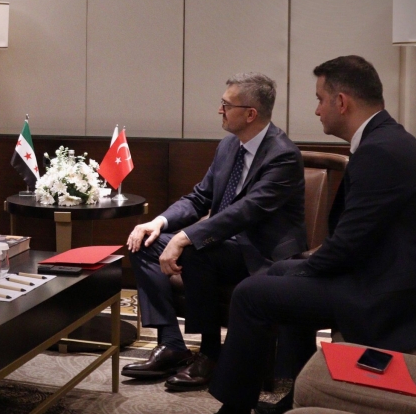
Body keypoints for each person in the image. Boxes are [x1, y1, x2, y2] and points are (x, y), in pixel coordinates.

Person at [210, 56, 416, 414]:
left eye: (320, 99)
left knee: (251, 293)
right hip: (380, 273)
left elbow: (348, 245)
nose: (317, 110)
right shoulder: (391, 140)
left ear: (342, 102)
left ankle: (234, 408)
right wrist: (297, 267)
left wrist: (303, 267)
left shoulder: (379, 152)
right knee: (279, 273)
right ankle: (294, 394)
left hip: (379, 292)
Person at [121, 72, 307, 390]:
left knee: (197, 250)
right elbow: (200, 197)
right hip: (221, 243)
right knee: (144, 243)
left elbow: (246, 211)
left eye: (226, 105)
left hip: (261, 252)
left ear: (250, 114)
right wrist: (159, 223)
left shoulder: (283, 155)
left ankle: (209, 353)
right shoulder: (228, 146)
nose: (219, 110)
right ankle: (172, 344)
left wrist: (185, 237)